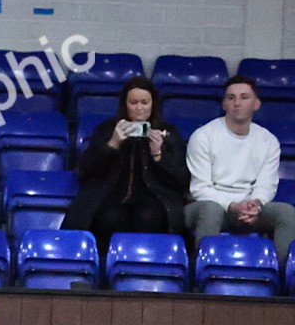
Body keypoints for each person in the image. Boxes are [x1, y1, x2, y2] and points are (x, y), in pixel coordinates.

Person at [62, 76, 190, 253]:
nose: (139, 108)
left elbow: (182, 180)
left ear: (153, 104)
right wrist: (112, 144)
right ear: (125, 104)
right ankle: (107, 272)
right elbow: (86, 171)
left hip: (154, 196)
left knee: (148, 218)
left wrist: (158, 154)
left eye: (144, 102)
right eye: (134, 102)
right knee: (111, 218)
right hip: (111, 194)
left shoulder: (168, 133)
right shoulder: (107, 129)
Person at [185, 74, 295, 263]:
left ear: (256, 104)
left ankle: (284, 282)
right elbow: (200, 188)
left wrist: (256, 205)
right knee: (211, 210)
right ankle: (201, 278)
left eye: (244, 97)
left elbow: (266, 184)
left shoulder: (268, 141)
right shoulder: (203, 136)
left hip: (248, 209)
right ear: (224, 105)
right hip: (208, 206)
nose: (237, 103)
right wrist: (233, 205)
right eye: (231, 98)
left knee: (286, 212)